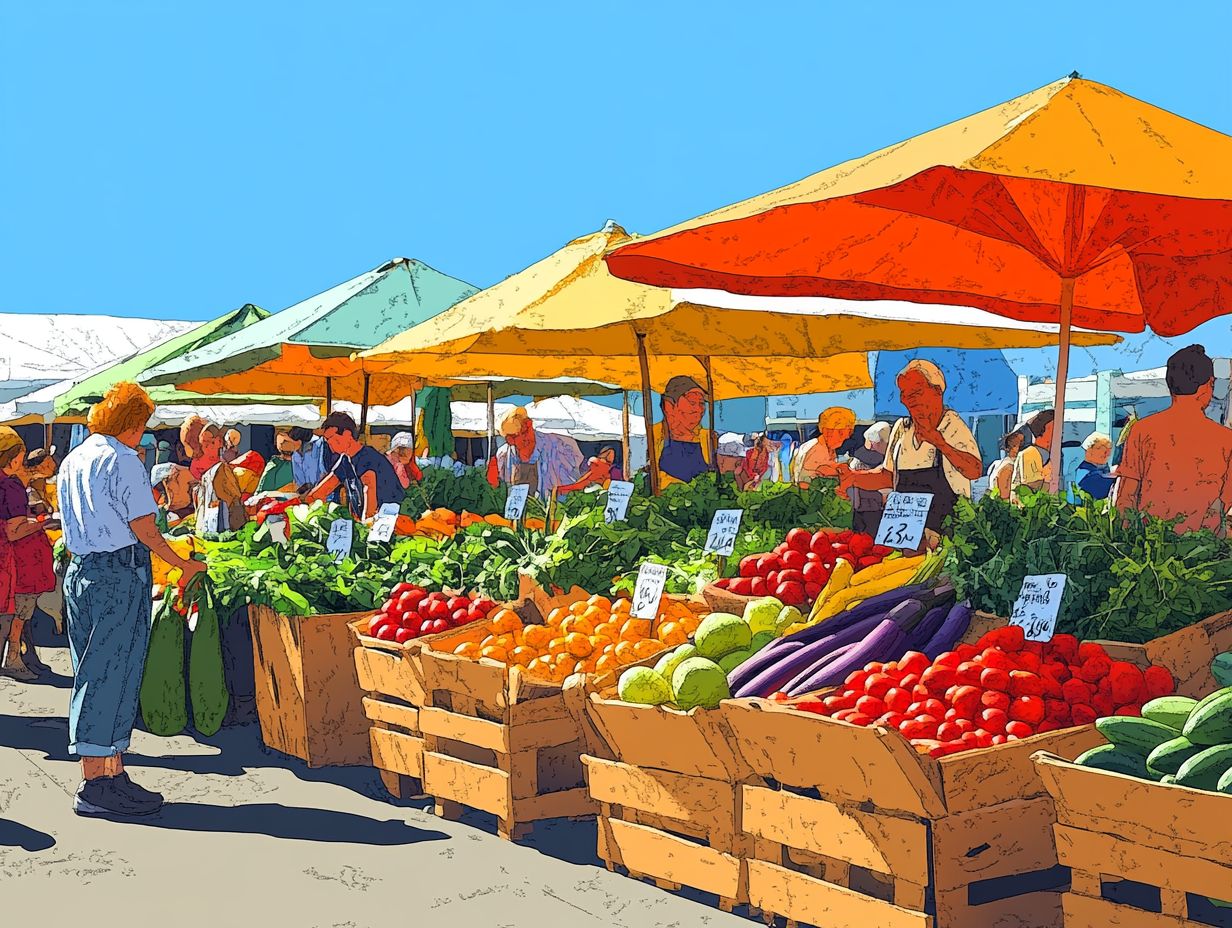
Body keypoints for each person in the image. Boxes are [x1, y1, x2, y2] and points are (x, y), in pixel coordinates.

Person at [59, 382, 205, 817]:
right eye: (141, 423)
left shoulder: (73, 459)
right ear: (132, 422)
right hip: (118, 571)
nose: (143, 432)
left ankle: (110, 771)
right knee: (111, 674)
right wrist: (182, 563)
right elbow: (144, 526)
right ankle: (94, 784)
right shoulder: (122, 459)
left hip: (81, 570)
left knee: (94, 669)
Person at [838, 360, 983, 543]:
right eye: (905, 394)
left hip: (945, 537)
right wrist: (853, 477)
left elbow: (974, 470)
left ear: (937, 391)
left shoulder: (951, 425)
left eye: (916, 392)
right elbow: (888, 476)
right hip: (904, 536)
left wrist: (941, 443)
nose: (910, 400)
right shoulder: (902, 428)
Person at [1113, 345, 1232, 534]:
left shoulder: (1142, 430)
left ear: (1170, 385)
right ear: (1208, 385)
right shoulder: (1226, 439)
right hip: (1203, 549)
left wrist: (1127, 542)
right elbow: (1225, 501)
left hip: (1151, 545)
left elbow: (1126, 497)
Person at [0, 430, 55, 679]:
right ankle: (14, 660)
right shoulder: (11, 486)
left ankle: (23, 656)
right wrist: (43, 521)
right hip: (13, 562)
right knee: (15, 616)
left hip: (16, 562)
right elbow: (14, 531)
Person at [304, 412, 403, 520]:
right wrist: (307, 504)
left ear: (347, 434)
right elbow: (324, 489)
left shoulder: (367, 457)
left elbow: (370, 497)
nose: (330, 444)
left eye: (332, 438)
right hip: (372, 520)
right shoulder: (345, 460)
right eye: (327, 440)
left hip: (392, 519)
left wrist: (365, 523)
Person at [495, 407, 584, 498]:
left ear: (529, 425)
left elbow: (569, 490)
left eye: (515, 436)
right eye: (508, 438)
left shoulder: (561, 446)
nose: (513, 443)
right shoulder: (504, 455)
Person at [652, 375, 715, 486]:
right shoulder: (654, 435)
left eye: (701, 403)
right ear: (669, 406)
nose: (699, 410)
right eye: (692, 403)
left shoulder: (706, 437)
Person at [193, 422, 247, 535]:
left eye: (210, 443)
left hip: (214, 518)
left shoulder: (224, 464)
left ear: (219, 441)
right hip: (213, 518)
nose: (207, 448)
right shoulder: (200, 463)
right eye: (204, 444)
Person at [849, 421, 891, 535]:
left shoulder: (890, 457)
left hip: (878, 510)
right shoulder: (860, 459)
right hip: (866, 510)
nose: (872, 447)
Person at [792, 407, 856, 483]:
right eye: (842, 432)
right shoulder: (817, 450)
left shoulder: (827, 447)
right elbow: (807, 479)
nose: (847, 436)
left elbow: (827, 465)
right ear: (827, 432)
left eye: (850, 432)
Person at [1011, 410, 1055, 495]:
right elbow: (1030, 486)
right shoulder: (1029, 453)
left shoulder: (1044, 454)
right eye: (1052, 429)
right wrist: (1047, 480)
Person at [1067, 432, 1115, 501]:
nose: (1107, 454)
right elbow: (1099, 490)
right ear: (1089, 451)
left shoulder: (1102, 468)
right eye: (1102, 449)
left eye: (1109, 449)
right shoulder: (1083, 471)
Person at [988, 429, 1027, 500]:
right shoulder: (1009, 466)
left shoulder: (1003, 462)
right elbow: (1004, 493)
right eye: (1021, 443)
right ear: (1013, 446)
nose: (1024, 446)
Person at [289, 425, 329, 492]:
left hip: (323, 492)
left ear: (299, 440)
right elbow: (298, 480)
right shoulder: (295, 456)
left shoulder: (318, 447)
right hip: (306, 494)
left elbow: (324, 473)